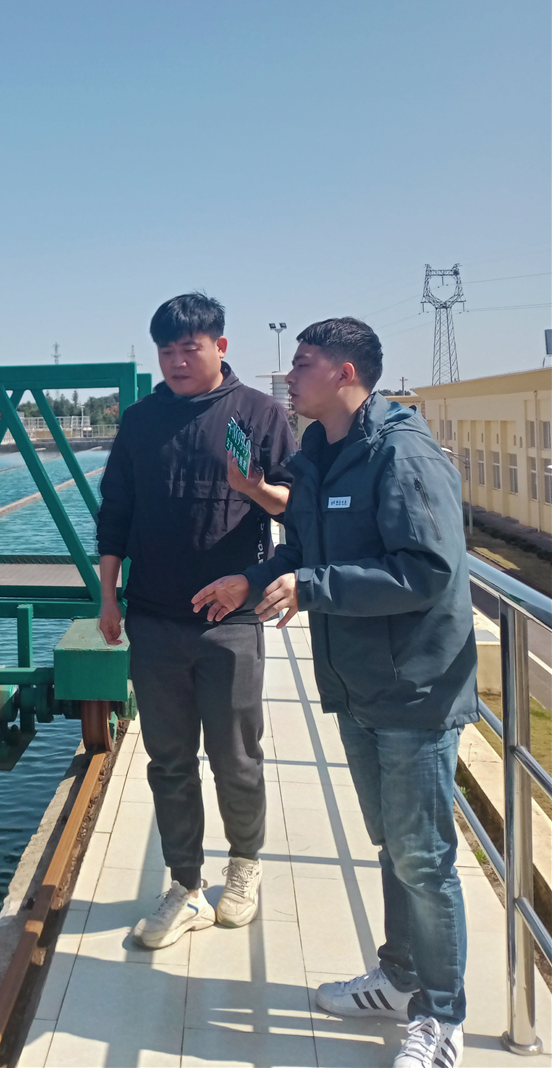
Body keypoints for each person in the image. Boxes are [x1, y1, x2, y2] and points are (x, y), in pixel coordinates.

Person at [192, 318, 477, 1068]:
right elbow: (301, 548)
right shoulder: (319, 450)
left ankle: (442, 1017)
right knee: (394, 846)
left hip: (415, 688)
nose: (289, 375)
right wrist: (251, 579)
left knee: (423, 858)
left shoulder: (401, 453)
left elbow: (428, 569)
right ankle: (399, 978)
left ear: (345, 372)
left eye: (302, 362)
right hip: (358, 686)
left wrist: (311, 587)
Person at [97, 292, 295, 949]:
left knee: (236, 757)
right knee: (169, 760)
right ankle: (184, 884)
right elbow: (115, 512)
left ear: (220, 346)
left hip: (231, 620)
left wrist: (252, 489)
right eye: (167, 350)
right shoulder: (140, 421)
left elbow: (295, 507)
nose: (178, 361)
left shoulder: (259, 413)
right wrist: (108, 597)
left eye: (191, 347)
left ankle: (244, 865)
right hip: (153, 617)